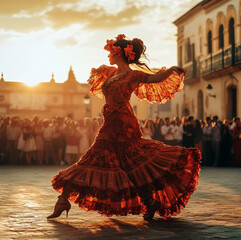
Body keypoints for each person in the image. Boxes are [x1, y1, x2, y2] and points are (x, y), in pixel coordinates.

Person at [48, 34, 201, 220]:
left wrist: (171, 70)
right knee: (96, 159)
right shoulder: (109, 74)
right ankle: (64, 199)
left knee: (128, 163)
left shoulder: (134, 75)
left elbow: (155, 78)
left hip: (123, 124)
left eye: (111, 52)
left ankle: (64, 199)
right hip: (110, 122)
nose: (108, 55)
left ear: (119, 53)